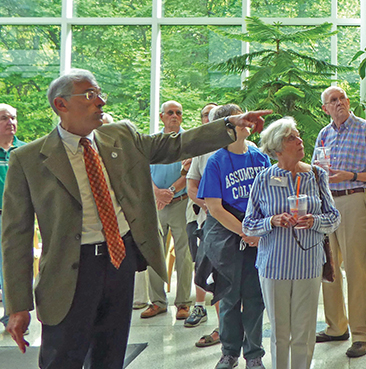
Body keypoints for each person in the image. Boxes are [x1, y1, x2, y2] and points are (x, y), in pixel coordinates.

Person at [1, 68, 270, 368]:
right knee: (62, 358)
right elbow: (16, 237)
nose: (101, 101)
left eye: (100, 93)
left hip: (119, 263)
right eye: (90, 95)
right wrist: (18, 306)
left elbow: (174, 145)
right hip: (68, 273)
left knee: (110, 356)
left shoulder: (121, 135)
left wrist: (229, 125)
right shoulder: (28, 159)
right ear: (60, 105)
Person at [243, 117, 341, 369]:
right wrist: (272, 221)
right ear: (277, 149)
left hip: (308, 264)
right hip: (274, 265)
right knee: (279, 332)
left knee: (305, 331)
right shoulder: (264, 179)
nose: (300, 141)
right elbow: (249, 225)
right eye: (291, 138)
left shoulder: (317, 176)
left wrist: (314, 221)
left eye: (298, 136)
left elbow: (334, 218)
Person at [312, 86, 366, 358]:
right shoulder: (323, 134)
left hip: (354, 201)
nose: (340, 102)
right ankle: (335, 328)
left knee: (356, 269)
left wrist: (351, 175)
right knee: (329, 268)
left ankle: (360, 334)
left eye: (342, 97)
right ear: (325, 108)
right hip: (326, 204)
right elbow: (316, 171)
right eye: (333, 100)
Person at [196, 104, 271, 369]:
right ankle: (229, 352)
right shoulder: (217, 160)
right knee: (228, 297)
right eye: (240, 121)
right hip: (227, 234)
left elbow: (269, 198)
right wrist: (245, 232)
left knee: (254, 298)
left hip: (255, 235)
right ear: (227, 128)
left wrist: (258, 232)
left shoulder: (260, 158)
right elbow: (214, 207)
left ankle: (254, 355)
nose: (246, 123)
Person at [141, 100, 194, 320]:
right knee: (154, 252)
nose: (174, 116)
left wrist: (170, 191)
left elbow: (191, 171)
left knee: (184, 253)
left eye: (178, 113)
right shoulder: (151, 142)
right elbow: (142, 171)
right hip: (155, 204)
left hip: (180, 201)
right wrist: (157, 193)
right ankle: (157, 302)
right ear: (161, 116)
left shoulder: (189, 142)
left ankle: (183, 303)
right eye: (170, 112)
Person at [184, 102, 221, 348]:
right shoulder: (199, 148)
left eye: (214, 115)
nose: (210, 119)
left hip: (234, 225)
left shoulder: (248, 150)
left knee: (229, 276)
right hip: (204, 220)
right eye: (206, 115)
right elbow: (192, 185)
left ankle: (228, 327)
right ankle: (207, 312)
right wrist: (208, 205)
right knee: (206, 269)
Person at [0, 104, 26, 329]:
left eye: (13, 118)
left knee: (10, 267)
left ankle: (12, 315)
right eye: (4, 118)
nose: (10, 122)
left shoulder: (25, 152)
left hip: (16, 219)